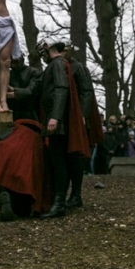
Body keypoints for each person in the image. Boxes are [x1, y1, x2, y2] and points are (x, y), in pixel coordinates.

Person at [36, 40, 86, 218]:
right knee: (60, 161)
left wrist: (54, 117)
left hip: (58, 122)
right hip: (57, 120)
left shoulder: (57, 64)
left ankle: (58, 204)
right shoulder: (56, 65)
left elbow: (61, 89)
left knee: (59, 162)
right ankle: (59, 202)